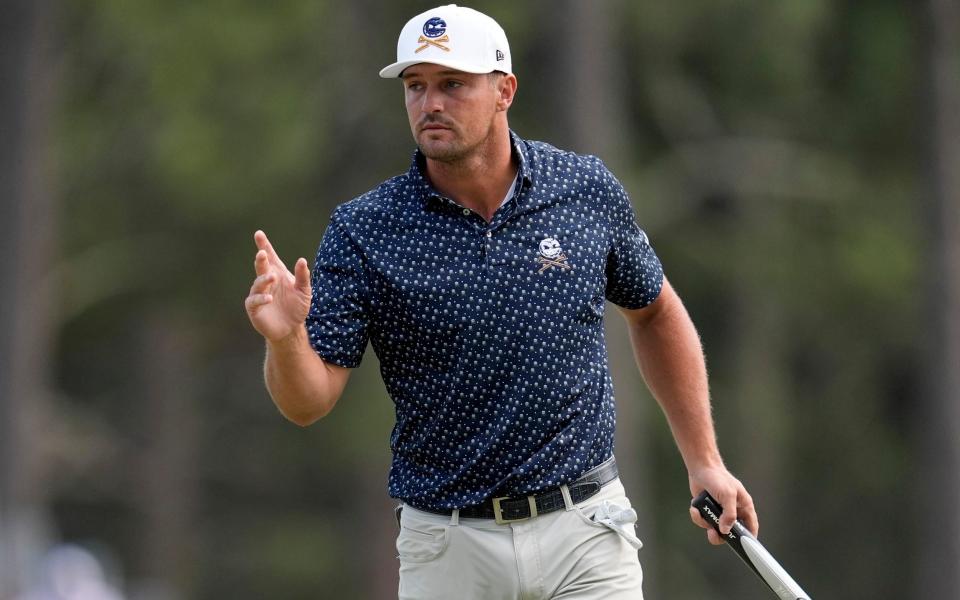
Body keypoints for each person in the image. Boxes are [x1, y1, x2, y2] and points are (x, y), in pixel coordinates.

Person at [244, 5, 758, 599]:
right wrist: (285, 340)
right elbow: (308, 402)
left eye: (452, 85)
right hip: (449, 545)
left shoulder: (584, 189)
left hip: (586, 528)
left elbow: (655, 311)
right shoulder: (366, 229)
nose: (429, 103)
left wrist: (705, 461)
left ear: (504, 90)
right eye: (416, 87)